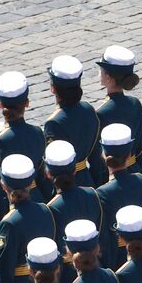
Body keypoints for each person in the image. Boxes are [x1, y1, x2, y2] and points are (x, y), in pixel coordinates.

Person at [0, 154, 56, 283]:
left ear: (3, 185)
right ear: (30, 183)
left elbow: (6, 269)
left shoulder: (9, 223)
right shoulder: (45, 210)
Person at [0, 73, 48, 222]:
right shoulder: (37, 132)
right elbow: (42, 174)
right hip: (38, 200)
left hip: (13, 207)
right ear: (26, 103)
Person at [95, 123, 142, 271]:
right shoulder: (141, 181)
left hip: (118, 261)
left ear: (104, 155)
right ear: (129, 154)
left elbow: (105, 239)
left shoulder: (102, 193)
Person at [45, 140, 105, 283]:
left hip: (68, 278)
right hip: (97, 268)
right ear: (74, 170)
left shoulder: (50, 208)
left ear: (48, 173)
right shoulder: (93, 195)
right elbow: (105, 238)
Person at [43, 55, 104, 187]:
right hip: (89, 181)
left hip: (66, 186)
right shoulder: (88, 109)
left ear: (53, 88)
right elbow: (96, 156)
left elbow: (55, 164)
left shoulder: (54, 123)